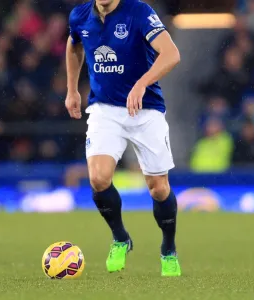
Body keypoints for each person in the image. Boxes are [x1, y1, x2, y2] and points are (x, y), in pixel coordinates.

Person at [65, 0, 181, 277]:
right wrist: (72, 89)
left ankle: (168, 248)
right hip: (105, 109)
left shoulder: (139, 12)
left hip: (145, 109)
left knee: (158, 188)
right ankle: (120, 238)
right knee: (98, 178)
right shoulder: (80, 15)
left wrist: (141, 83)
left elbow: (171, 54)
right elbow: (74, 45)